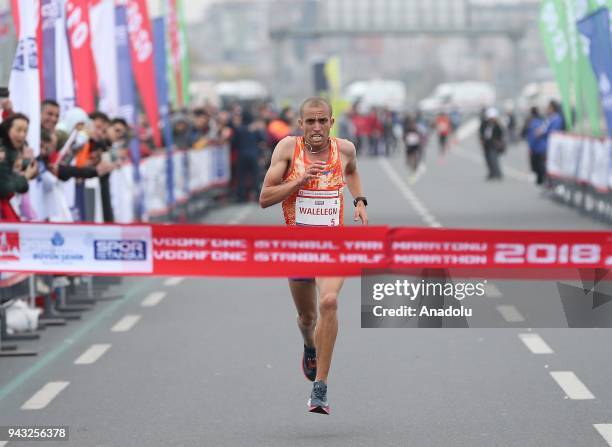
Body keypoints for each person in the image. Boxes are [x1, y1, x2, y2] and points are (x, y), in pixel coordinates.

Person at [259, 97, 368, 415]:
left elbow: (352, 171)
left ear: (331, 123)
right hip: (299, 248)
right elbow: (265, 197)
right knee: (308, 318)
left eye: (322, 121)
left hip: (334, 247)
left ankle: (319, 389)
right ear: (300, 124)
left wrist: (359, 200)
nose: (316, 127)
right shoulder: (287, 150)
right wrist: (299, 181)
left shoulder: (344, 149)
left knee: (330, 302)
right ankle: (309, 345)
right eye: (310, 122)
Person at [482, 107, 505, 181]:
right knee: (488, 160)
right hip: (487, 144)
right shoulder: (484, 124)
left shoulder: (497, 125)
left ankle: (498, 173)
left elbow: (500, 134)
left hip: (494, 145)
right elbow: (482, 133)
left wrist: (499, 142)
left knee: (494, 159)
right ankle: (491, 173)